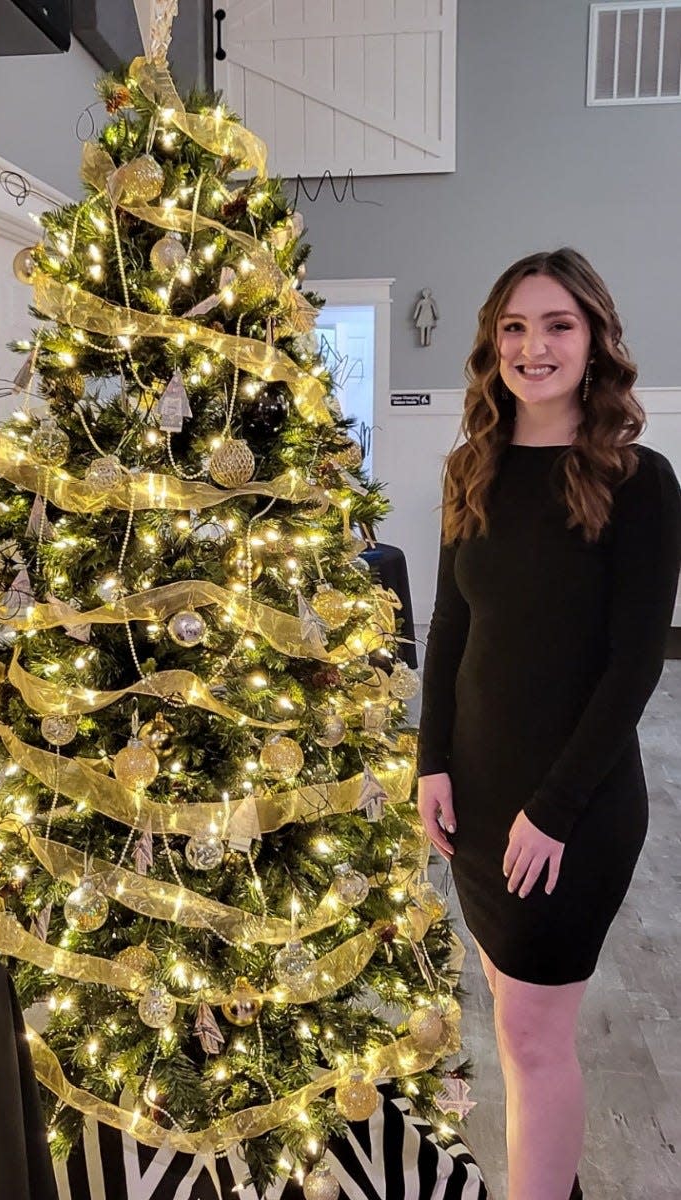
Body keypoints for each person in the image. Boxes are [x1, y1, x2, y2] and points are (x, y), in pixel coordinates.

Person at [415, 248, 681, 1200]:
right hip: (478, 798)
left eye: (557, 325)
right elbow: (450, 628)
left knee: (533, 1034)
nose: (534, 346)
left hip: (573, 808)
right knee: (511, 1012)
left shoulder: (640, 480)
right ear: (493, 345)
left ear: (595, 338)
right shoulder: (469, 469)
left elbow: (635, 661)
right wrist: (430, 761)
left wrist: (556, 810)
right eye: (515, 327)